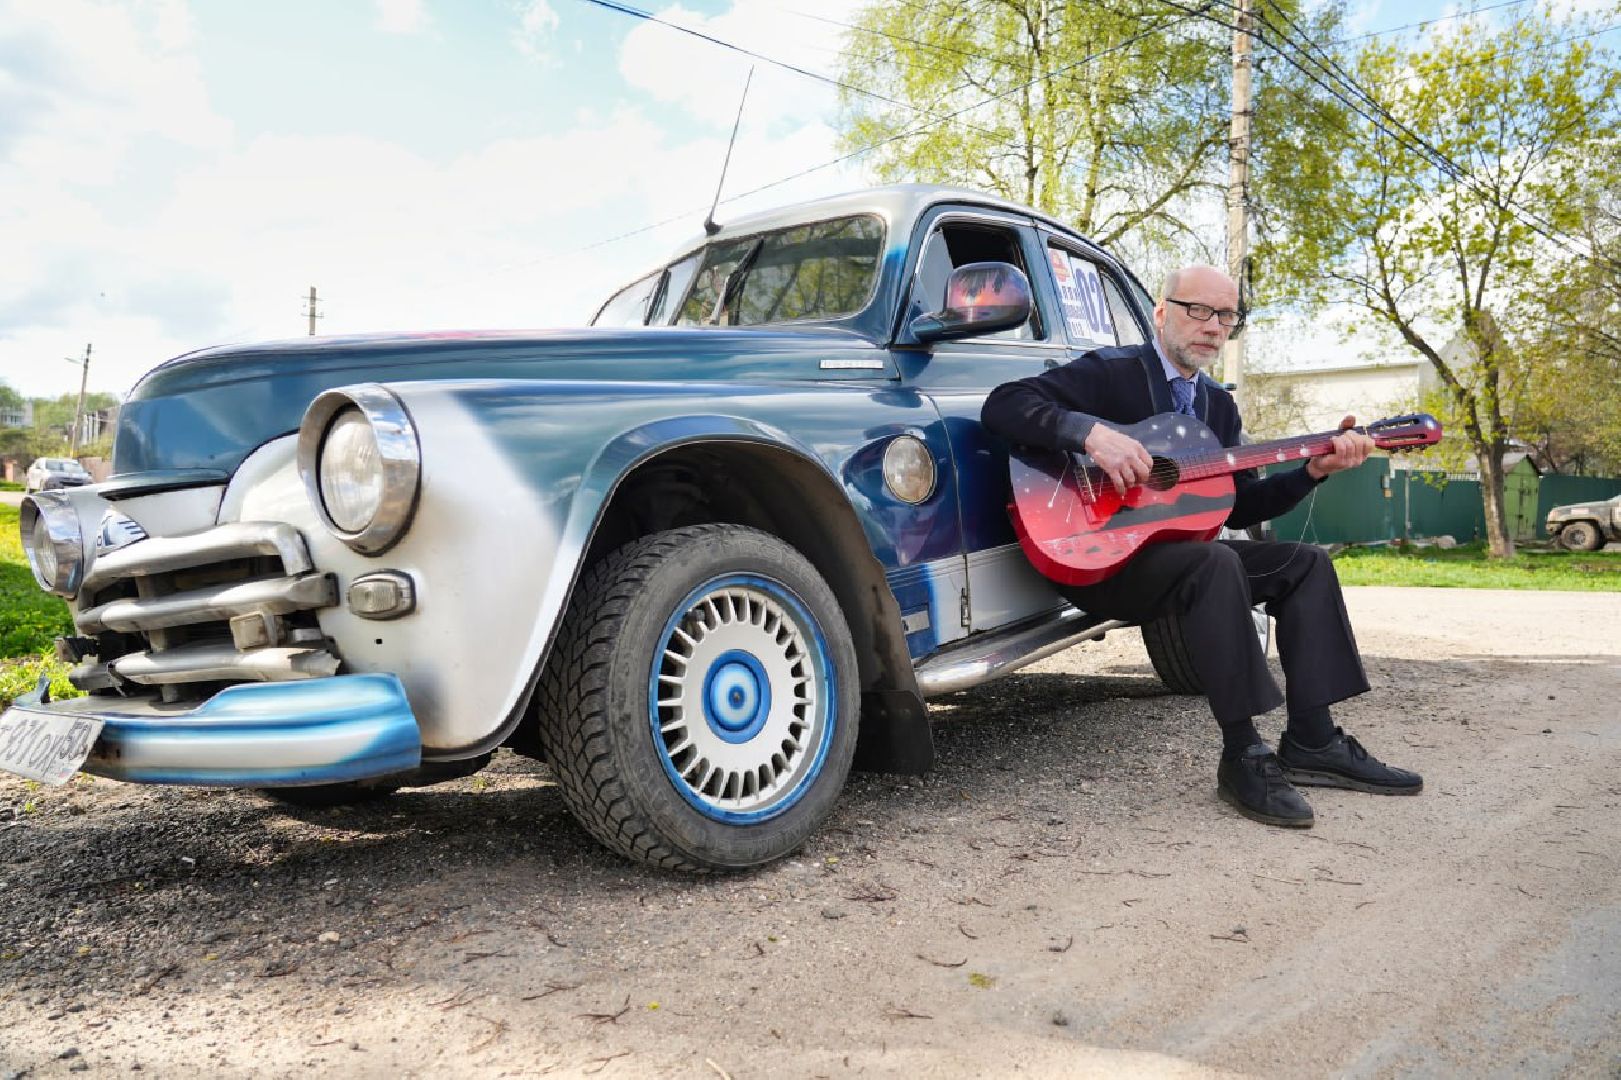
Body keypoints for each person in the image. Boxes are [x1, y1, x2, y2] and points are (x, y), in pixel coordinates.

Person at [981, 264, 1421, 828]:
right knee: (1214, 563)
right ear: (1162, 312)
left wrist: (1313, 472)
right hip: (1096, 561)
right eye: (1199, 310)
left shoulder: (1218, 406)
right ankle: (1242, 753)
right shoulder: (1111, 373)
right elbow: (1005, 405)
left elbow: (1239, 506)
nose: (1213, 326)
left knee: (1305, 563)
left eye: (1227, 316)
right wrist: (1091, 434)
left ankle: (1313, 740)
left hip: (1175, 561)